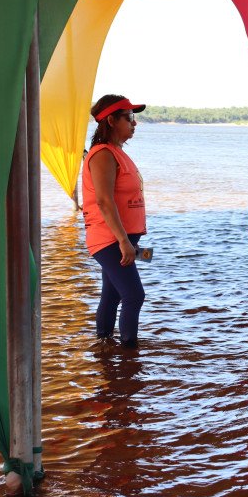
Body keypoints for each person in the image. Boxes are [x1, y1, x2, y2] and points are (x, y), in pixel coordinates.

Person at [81, 94, 148, 349]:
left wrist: (130, 241)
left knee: (112, 295)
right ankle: (130, 356)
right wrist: (123, 241)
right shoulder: (102, 155)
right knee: (134, 296)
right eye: (129, 117)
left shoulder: (117, 152)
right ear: (111, 120)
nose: (134, 123)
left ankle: (104, 348)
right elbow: (104, 202)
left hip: (123, 238)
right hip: (109, 238)